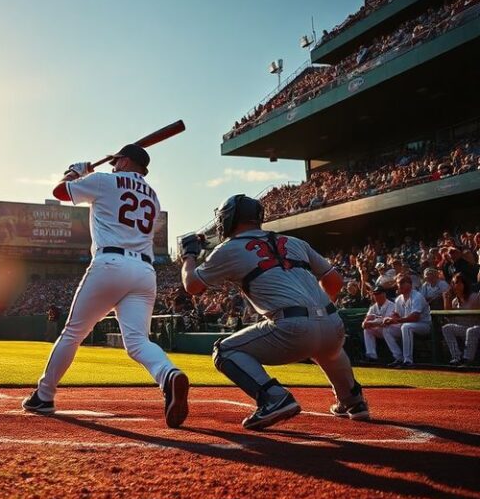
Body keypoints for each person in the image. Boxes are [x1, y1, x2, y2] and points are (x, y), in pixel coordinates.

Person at [22, 144, 189, 428]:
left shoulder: (105, 180)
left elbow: (60, 192)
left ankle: (44, 395)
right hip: (145, 271)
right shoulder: (153, 195)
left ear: (125, 161)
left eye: (117, 161)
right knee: (138, 343)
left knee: (73, 332)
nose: (113, 165)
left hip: (111, 263)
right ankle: (169, 374)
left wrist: (75, 172)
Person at [180, 194, 369, 431]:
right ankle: (353, 401)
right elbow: (334, 281)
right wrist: (317, 313)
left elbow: (192, 286)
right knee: (328, 351)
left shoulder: (227, 249)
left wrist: (188, 257)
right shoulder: (295, 241)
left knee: (224, 350)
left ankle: (273, 397)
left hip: (292, 326)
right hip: (332, 322)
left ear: (228, 219)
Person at [381, 274, 431, 367]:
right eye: (399, 283)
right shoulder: (399, 299)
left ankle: (408, 360)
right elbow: (397, 315)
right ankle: (398, 357)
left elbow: (415, 317)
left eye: (403, 283)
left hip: (424, 325)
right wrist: (390, 319)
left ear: (410, 285)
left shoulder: (417, 296)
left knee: (406, 327)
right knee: (386, 329)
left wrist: (396, 320)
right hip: (408, 325)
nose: (400, 285)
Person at [441, 272, 480, 366]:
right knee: (446, 328)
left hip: (477, 327)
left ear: (464, 284)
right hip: (464, 328)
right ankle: (456, 357)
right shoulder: (454, 301)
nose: (455, 286)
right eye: (454, 283)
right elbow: (449, 317)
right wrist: (447, 300)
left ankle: (467, 360)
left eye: (458, 283)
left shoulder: (475, 297)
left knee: (471, 330)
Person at [361, 286, 397, 363]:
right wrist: (364, 323)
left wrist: (371, 323)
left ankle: (397, 356)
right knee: (367, 330)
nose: (376, 296)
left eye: (378, 294)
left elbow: (385, 322)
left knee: (385, 329)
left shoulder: (391, 305)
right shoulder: (373, 307)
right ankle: (371, 356)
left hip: (394, 330)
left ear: (384, 294)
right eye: (375, 294)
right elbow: (367, 319)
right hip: (381, 329)